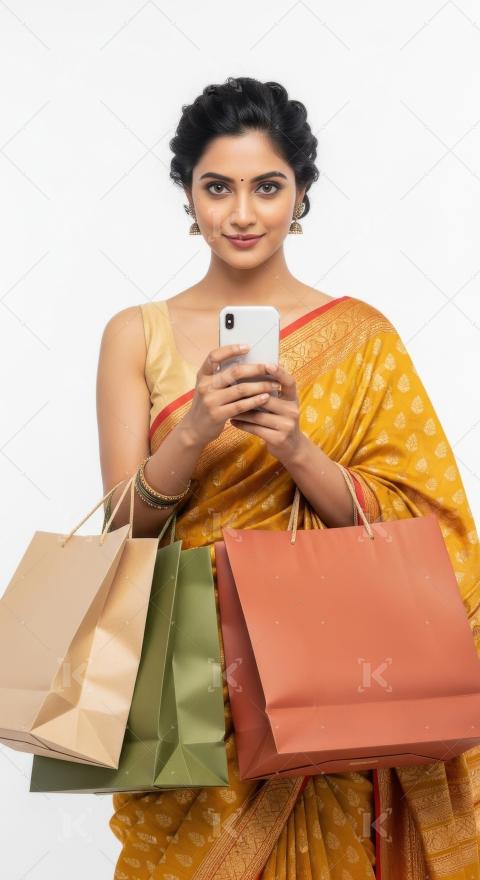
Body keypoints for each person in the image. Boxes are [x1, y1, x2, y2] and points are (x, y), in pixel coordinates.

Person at [97, 77, 480, 879]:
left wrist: (298, 448)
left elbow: (425, 533)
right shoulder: (137, 335)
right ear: (189, 196)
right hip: (191, 679)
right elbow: (119, 536)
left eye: (267, 186)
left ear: (299, 193)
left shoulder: (363, 338)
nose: (242, 213)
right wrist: (194, 431)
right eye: (218, 188)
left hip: (329, 672)